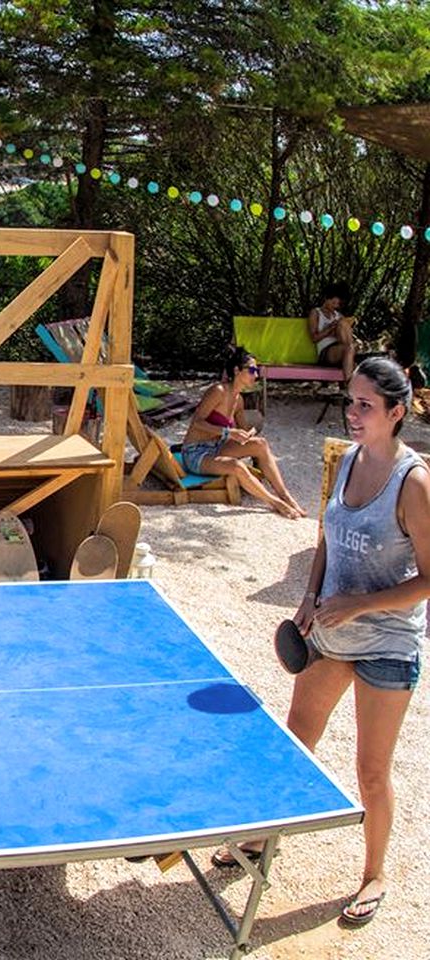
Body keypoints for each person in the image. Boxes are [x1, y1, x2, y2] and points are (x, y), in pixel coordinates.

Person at [214, 357, 425, 928]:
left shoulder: (414, 482)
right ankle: (261, 841)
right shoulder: (349, 458)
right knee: (296, 739)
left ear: (396, 413)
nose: (353, 414)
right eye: (350, 402)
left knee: (370, 771)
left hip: (387, 645)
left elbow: (429, 578)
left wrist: (357, 603)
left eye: (365, 406)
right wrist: (308, 596)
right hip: (330, 633)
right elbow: (326, 536)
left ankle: (374, 874)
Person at [180, 344, 305, 519]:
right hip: (195, 453)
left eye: (257, 370)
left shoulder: (239, 400)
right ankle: (275, 502)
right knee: (236, 466)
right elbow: (196, 423)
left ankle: (285, 495)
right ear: (238, 370)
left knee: (260, 444)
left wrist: (248, 434)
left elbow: (242, 432)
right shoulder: (218, 391)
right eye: (252, 370)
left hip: (217, 447)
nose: (256, 374)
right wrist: (228, 433)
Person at [309, 280, 357, 381]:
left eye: (338, 304)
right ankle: (349, 386)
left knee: (344, 326)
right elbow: (314, 338)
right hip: (326, 352)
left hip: (342, 348)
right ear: (326, 298)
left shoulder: (338, 316)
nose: (335, 306)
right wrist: (329, 329)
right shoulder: (316, 313)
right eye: (333, 302)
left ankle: (350, 385)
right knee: (348, 347)